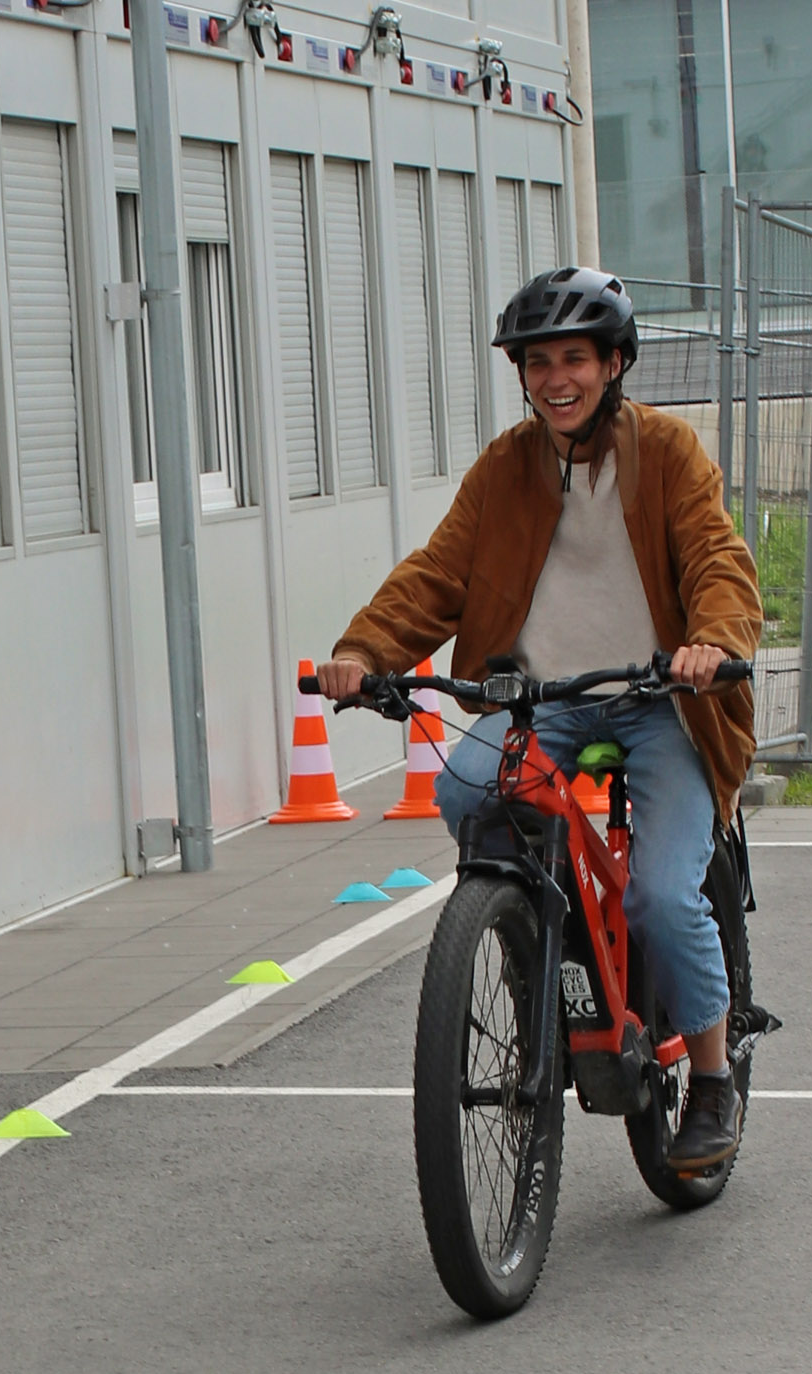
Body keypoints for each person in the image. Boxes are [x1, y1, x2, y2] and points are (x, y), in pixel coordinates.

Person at [318, 267, 761, 1173]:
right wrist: (365, 651)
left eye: (576, 360)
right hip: (539, 700)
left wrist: (710, 643)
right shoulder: (506, 469)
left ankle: (712, 1079)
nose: (556, 379)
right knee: (464, 788)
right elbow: (436, 575)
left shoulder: (670, 453)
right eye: (538, 363)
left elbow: (718, 556)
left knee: (662, 896)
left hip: (660, 702)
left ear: (614, 364)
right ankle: (529, 938)